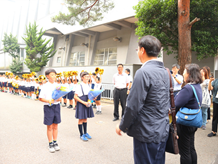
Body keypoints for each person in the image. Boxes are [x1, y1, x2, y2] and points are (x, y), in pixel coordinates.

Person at [116, 35, 170, 164]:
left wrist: (122, 126)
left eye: (137, 49)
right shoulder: (166, 72)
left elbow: (133, 105)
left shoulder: (143, 72)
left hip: (145, 131)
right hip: (162, 130)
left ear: (142, 50)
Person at [175, 63, 203, 164]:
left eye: (184, 71)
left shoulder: (188, 88)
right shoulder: (197, 86)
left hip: (185, 122)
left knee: (185, 152)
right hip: (193, 121)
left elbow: (177, 104)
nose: (183, 73)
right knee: (191, 148)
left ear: (189, 74)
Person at [39, 69, 62, 153]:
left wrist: (60, 98)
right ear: (47, 76)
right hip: (48, 107)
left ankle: (55, 142)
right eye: (52, 75)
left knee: (56, 125)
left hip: (57, 106)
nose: (54, 76)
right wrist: (48, 101)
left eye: (55, 74)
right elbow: (40, 98)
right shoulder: (44, 86)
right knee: (50, 126)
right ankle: (50, 143)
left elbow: (60, 96)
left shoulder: (58, 85)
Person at [74, 71, 94, 141]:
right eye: (86, 77)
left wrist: (91, 100)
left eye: (88, 77)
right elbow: (75, 97)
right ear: (82, 77)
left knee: (85, 118)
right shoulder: (79, 85)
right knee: (81, 119)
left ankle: (85, 133)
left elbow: (90, 95)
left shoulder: (88, 85)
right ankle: (81, 134)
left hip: (87, 102)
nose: (88, 78)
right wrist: (84, 102)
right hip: (82, 102)